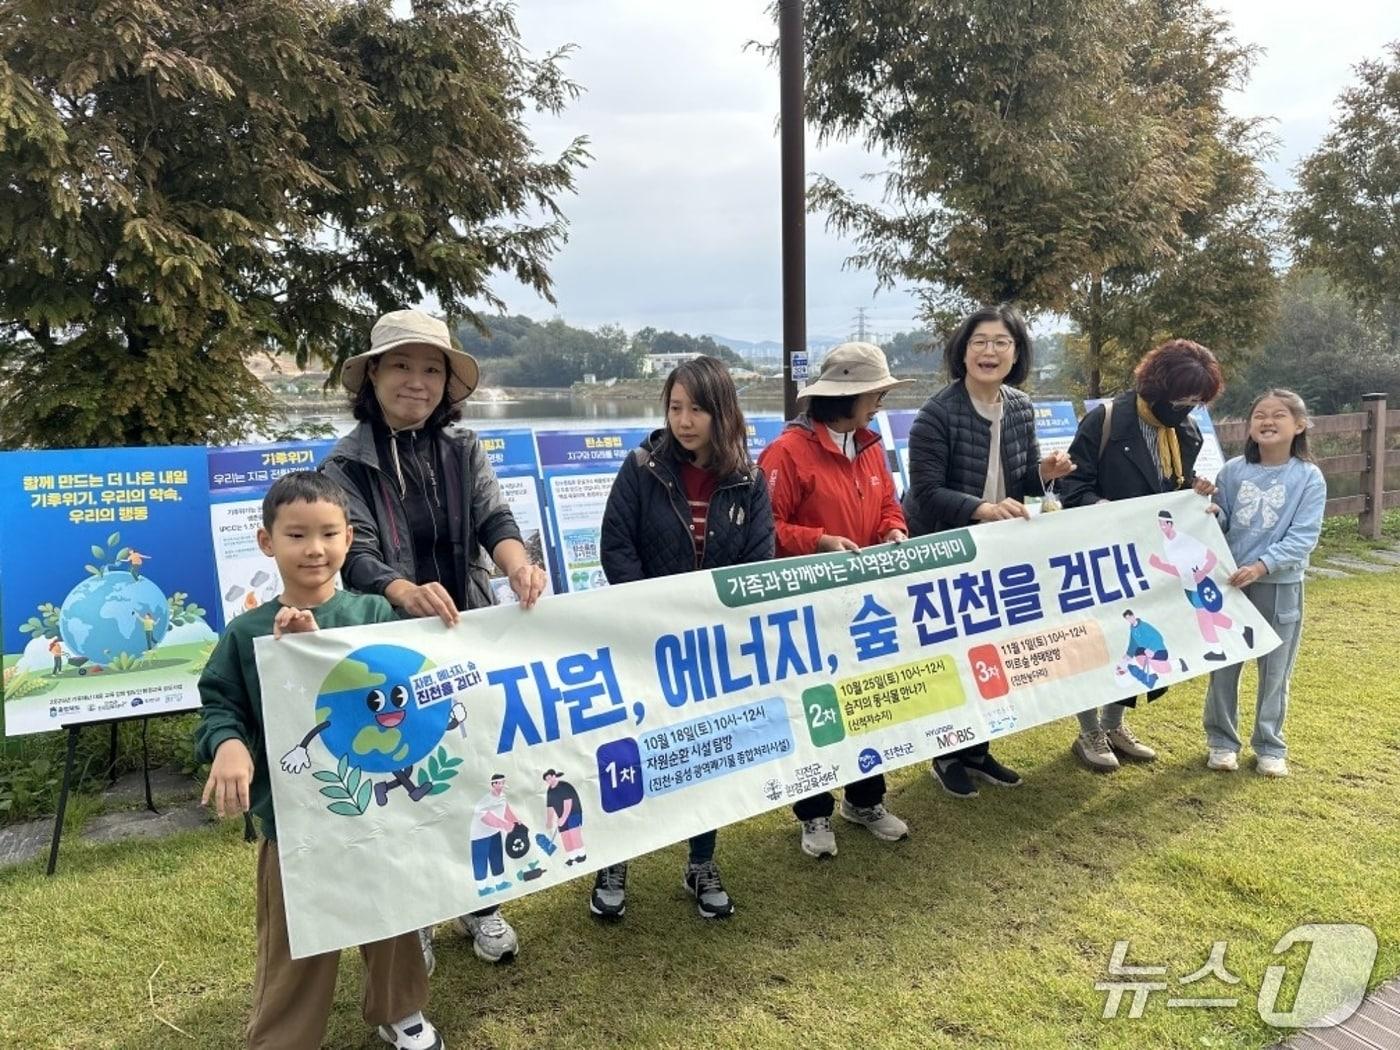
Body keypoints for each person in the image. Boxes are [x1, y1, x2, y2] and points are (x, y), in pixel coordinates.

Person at [321, 308, 547, 968]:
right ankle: (414, 912)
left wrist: (518, 567)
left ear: (447, 383)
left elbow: (494, 518)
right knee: (404, 779)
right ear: (372, 378)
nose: (416, 381)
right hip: (389, 649)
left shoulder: (462, 449)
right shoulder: (343, 464)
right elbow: (354, 551)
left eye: (431, 369)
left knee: (475, 772)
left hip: (466, 638)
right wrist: (403, 591)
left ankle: (481, 902)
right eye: (401, 366)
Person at [195, 471, 443, 1050]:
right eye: (296, 535)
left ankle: (397, 1006)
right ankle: (283, 1035)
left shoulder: (374, 616)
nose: (314, 549)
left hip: (379, 811)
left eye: (328, 533)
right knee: (294, 934)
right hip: (297, 819)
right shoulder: (247, 633)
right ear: (266, 542)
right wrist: (229, 745)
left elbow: (411, 690)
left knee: (391, 912)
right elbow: (219, 704)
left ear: (349, 538)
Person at [593, 356, 774, 918]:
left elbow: (758, 560)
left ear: (723, 413)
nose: (685, 420)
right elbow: (615, 546)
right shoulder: (642, 466)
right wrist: (652, 614)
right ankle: (614, 858)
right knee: (630, 746)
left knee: (705, 751)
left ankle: (701, 861)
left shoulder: (749, 478)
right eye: (675, 407)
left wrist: (713, 619)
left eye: (697, 408)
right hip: (642, 640)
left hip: (712, 647)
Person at [902, 305, 1074, 799]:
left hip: (999, 550)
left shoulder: (1020, 406)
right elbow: (927, 492)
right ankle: (947, 755)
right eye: (979, 341)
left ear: (1016, 353)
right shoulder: (936, 413)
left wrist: (1046, 474)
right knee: (953, 656)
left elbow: (1021, 485)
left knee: (994, 653)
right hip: (945, 548)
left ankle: (979, 750)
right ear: (962, 350)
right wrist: (980, 508)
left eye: (1001, 342)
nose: (989, 351)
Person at [757, 342, 911, 857]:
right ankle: (814, 812)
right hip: (808, 608)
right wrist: (818, 541)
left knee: (869, 701)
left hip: (865, 605)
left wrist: (893, 530)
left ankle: (865, 800)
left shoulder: (867, 444)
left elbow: (889, 503)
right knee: (814, 706)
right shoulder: (786, 453)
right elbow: (765, 531)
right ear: (846, 396)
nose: (880, 404)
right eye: (875, 394)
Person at [1058, 338, 1224, 772]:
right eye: (1181, 397)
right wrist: (1107, 512)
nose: (1187, 406)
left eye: (1196, 400)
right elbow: (1071, 486)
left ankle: (1114, 724)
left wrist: (1194, 493)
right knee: (1096, 641)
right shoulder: (1107, 420)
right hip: (1100, 555)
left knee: (1136, 641)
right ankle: (1088, 731)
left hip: (1149, 559)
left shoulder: (1184, 431)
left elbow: (1173, 490)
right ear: (1156, 385)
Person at [1196, 389, 1325, 778]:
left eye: (1279, 415)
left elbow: (1304, 535)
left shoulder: (1308, 477)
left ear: (1299, 425)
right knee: (1224, 664)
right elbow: (1223, 524)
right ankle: (1221, 742)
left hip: (1280, 584)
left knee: (1275, 670)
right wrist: (1210, 508)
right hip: (1231, 584)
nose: (1267, 422)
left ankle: (1270, 746)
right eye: (1259, 415)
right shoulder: (1232, 471)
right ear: (1249, 425)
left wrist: (1262, 566)